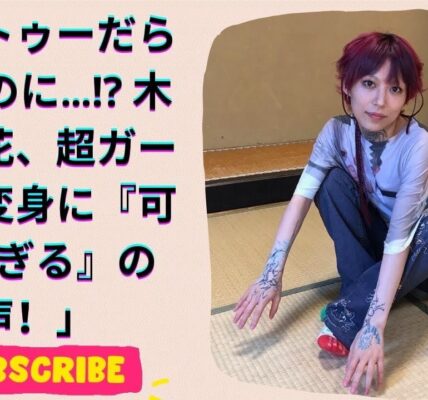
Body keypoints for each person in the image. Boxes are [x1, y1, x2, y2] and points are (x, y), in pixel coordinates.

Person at [233, 32, 428, 396]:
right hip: (381, 249)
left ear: (408, 96)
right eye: (368, 83)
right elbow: (300, 198)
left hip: (420, 255)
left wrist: (373, 325)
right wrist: (271, 273)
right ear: (347, 85)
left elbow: (401, 238)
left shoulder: (417, 145)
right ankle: (362, 292)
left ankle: (350, 311)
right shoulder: (335, 132)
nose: (380, 100)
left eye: (395, 89)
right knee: (330, 182)